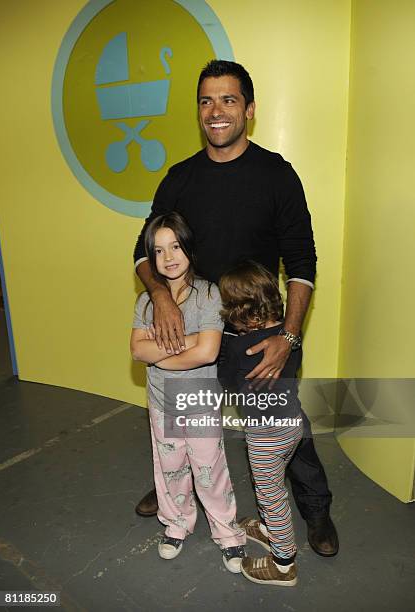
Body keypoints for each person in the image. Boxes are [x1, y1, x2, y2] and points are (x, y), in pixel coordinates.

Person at [133, 59, 339, 557]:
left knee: (286, 431)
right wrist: (161, 295)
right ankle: (173, 490)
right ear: (198, 111)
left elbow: (303, 262)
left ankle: (315, 510)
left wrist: (289, 336)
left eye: (228, 100)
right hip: (194, 330)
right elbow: (144, 250)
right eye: (206, 101)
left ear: (249, 109)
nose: (216, 111)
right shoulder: (180, 178)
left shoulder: (276, 175)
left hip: (257, 335)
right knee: (183, 421)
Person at [130, 211, 246, 572]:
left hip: (198, 402)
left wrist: (162, 356)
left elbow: (207, 352)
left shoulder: (209, 294)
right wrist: (186, 345)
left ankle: (228, 533)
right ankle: (176, 524)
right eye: (159, 251)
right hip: (160, 402)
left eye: (175, 247)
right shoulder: (146, 302)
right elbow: (137, 349)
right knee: (169, 469)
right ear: (151, 257)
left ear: (189, 248)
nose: (169, 258)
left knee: (209, 468)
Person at [218, 260, 303, 586]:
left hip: (266, 435)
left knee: (271, 493)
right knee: (271, 482)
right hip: (292, 425)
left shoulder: (242, 345)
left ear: (243, 311)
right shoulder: (287, 341)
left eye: (228, 307)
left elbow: (228, 381)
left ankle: (284, 563)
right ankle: (269, 530)